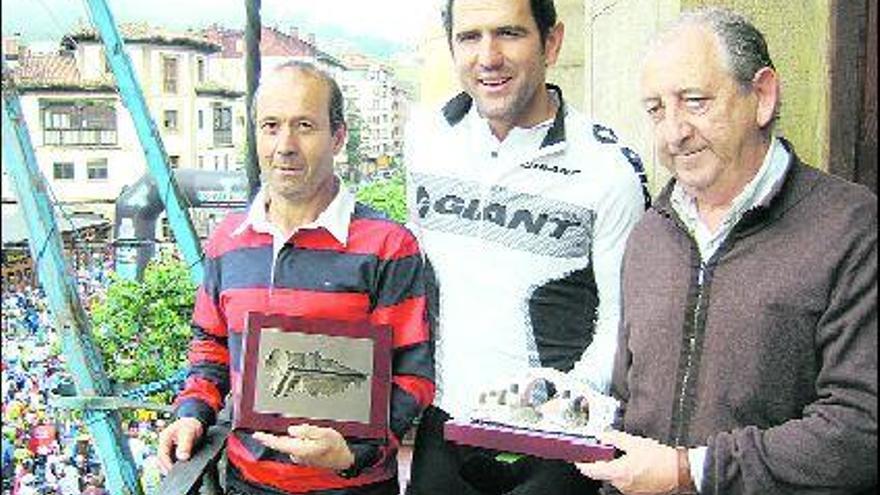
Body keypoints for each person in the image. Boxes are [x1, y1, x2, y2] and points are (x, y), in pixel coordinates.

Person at [576, 7, 877, 494]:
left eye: (694, 101)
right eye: (656, 109)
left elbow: (861, 430)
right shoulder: (650, 234)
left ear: (761, 96)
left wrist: (690, 471)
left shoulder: (852, 227)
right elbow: (630, 409)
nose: (672, 133)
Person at [404, 0, 649, 493]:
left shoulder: (608, 167)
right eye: (469, 37)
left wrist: (556, 413)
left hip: (558, 446)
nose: (488, 56)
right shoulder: (425, 139)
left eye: (509, 34)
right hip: (446, 429)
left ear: (552, 43)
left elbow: (623, 322)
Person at [158, 61, 435, 495]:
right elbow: (210, 346)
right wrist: (193, 412)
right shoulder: (227, 241)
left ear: (338, 137)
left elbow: (413, 374)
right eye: (271, 126)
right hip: (247, 483)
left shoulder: (388, 246)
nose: (284, 145)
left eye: (304, 125)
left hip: (353, 488)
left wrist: (352, 452)